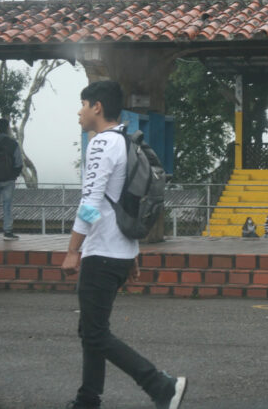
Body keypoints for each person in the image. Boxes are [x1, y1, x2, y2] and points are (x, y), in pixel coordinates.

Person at [61, 81, 187, 409]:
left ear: (97, 107)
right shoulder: (125, 140)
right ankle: (88, 399)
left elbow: (90, 203)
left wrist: (73, 249)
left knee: (95, 333)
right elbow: (126, 201)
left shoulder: (102, 143)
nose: (79, 112)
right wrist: (133, 253)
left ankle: (161, 386)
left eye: (83, 104)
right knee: (92, 330)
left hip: (102, 255)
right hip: (118, 252)